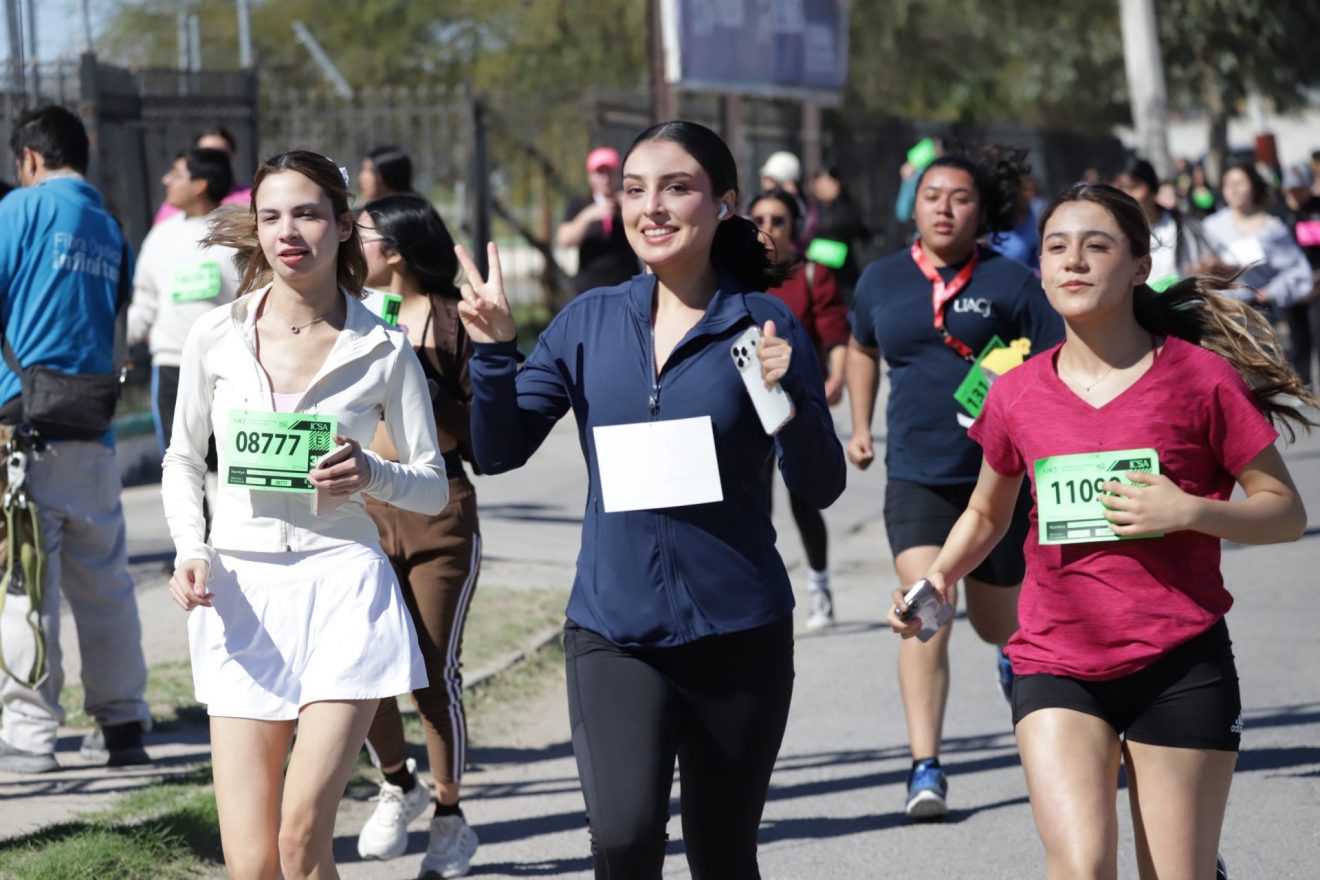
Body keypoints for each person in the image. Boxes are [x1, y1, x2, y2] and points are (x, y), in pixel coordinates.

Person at [888, 182, 1314, 880]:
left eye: (1096, 246)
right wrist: (938, 577)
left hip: (1179, 663)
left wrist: (1189, 511)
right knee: (1081, 865)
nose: (1074, 261)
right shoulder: (1016, 391)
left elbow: (1285, 511)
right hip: (1054, 661)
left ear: (1141, 265)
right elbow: (988, 513)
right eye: (1056, 247)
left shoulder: (1199, 379)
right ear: (1040, 267)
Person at [459, 120, 846, 879]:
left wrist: (793, 399)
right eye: (636, 190)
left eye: (676, 188)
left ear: (725, 202)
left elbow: (821, 484)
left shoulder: (762, 326)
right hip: (614, 631)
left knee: (722, 856)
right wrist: (495, 352)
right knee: (625, 838)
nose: (652, 207)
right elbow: (497, 452)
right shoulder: (588, 321)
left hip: (739, 631)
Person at [161, 150, 448, 879]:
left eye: (308, 214)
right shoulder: (215, 334)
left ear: (344, 225)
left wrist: (372, 472)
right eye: (272, 216)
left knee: (299, 837)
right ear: (256, 229)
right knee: (253, 864)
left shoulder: (381, 345)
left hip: (343, 587)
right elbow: (183, 459)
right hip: (239, 594)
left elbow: (432, 487)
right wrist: (191, 548)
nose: (288, 231)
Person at [845, 147, 1064, 819]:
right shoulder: (881, 279)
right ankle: (925, 768)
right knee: (925, 615)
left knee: (1000, 625)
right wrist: (860, 426)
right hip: (918, 477)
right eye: (931, 194)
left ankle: (1010, 665)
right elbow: (861, 347)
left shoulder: (1013, 282)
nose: (944, 207)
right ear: (913, 204)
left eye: (960, 197)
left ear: (983, 210)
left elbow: (1057, 359)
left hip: (999, 484)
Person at [0, 105, 151, 774]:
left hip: (21, 428)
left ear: (30, 159)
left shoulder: (18, 211)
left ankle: (30, 735)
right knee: (106, 585)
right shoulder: (111, 228)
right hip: (94, 423)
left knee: (25, 585)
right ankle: (124, 724)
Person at [351, 193, 481, 876]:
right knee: (364, 662)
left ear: (396, 251)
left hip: (440, 511)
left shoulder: (456, 321)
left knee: (434, 673)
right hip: (362, 510)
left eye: (361, 235)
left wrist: (417, 377)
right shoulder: (347, 314)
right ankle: (398, 784)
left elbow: (479, 432)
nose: (349, 245)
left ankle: (450, 818)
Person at [750, 188, 849, 629]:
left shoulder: (812, 275)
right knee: (755, 502)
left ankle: (819, 587)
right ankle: (757, 590)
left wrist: (836, 378)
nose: (767, 229)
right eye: (759, 220)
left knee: (804, 501)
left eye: (778, 220)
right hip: (751, 409)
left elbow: (835, 334)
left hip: (797, 406)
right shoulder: (737, 276)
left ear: (795, 227)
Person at [129, 147, 242, 458]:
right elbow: (145, 301)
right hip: (171, 365)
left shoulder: (239, 232)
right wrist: (119, 345)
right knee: (179, 458)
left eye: (177, 174)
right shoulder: (160, 236)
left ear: (200, 185)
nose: (166, 180)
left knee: (227, 460)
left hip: (226, 364)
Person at [1202, 162, 1311, 313]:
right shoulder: (1210, 226)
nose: (1233, 190)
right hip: (1224, 311)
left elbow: (1296, 269)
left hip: (1262, 311)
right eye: (1227, 185)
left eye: (1238, 184)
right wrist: (1210, 266)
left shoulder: (1271, 226)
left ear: (1253, 187)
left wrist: (1271, 291)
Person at [1113, 157, 1216, 288]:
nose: (1127, 195)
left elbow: (1211, 262)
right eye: (1121, 188)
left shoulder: (1184, 225)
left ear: (1152, 188)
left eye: (1134, 187)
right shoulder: (1115, 233)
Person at [556, 146, 638, 296]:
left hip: (628, 286)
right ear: (590, 176)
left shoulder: (629, 202)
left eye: (609, 172)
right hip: (591, 288)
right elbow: (564, 240)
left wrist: (631, 205)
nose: (605, 179)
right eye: (600, 173)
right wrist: (588, 216)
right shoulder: (580, 205)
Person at [152, 125, 252, 226]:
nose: (211, 159)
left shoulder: (248, 201)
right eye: (204, 153)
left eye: (220, 154)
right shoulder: (171, 209)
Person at [1282, 162, 1320, 389]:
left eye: (1300, 188)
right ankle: (1304, 388)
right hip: (1290, 288)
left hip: (1317, 285)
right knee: (1298, 343)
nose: (1296, 194)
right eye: (1292, 189)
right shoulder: (1278, 213)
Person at [809, 166, 872, 301]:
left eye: (828, 182)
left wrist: (836, 200)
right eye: (820, 182)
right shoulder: (811, 209)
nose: (824, 187)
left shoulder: (847, 206)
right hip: (816, 272)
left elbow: (859, 230)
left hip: (844, 275)